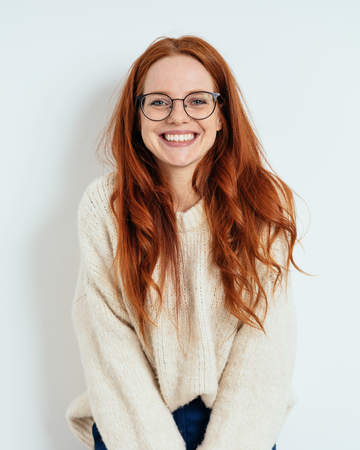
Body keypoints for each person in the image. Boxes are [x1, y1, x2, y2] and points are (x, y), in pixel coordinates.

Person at [66, 35, 303, 450]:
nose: (178, 117)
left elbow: (265, 353)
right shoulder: (105, 207)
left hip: (238, 428)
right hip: (132, 424)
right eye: (159, 102)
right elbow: (110, 350)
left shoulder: (263, 202)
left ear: (220, 115)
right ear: (136, 115)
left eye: (197, 101)